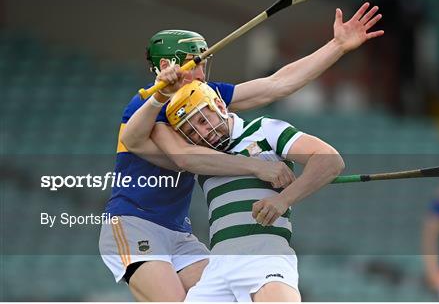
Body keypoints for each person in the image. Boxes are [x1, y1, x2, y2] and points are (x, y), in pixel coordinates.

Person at [101, 2, 383, 301]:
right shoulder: (149, 104)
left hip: (179, 232)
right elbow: (176, 154)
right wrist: (258, 167)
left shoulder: (208, 96)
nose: (201, 70)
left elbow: (277, 84)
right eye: (193, 63)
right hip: (135, 222)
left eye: (202, 62)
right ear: (169, 66)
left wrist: (337, 46)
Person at [140, 79, 344, 301]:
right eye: (192, 130)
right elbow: (134, 139)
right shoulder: (200, 157)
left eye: (202, 119)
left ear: (218, 104)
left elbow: (330, 161)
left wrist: (282, 200)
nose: (203, 132)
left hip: (265, 255)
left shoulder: (264, 129)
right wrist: (158, 96)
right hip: (218, 267)